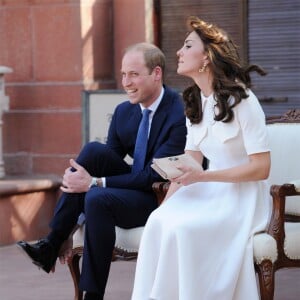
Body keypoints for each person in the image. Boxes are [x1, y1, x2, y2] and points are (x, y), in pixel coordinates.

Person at [17, 42, 187, 300]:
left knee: (97, 196)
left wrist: (95, 182)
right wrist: (78, 187)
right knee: (94, 152)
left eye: (133, 74)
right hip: (135, 189)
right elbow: (106, 160)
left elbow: (155, 176)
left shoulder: (178, 112)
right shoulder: (123, 112)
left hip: (163, 196)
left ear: (157, 73)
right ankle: (54, 242)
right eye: (123, 74)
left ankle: (90, 293)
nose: (126, 82)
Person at [131, 16, 271, 300]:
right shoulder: (195, 102)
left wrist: (204, 177)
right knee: (158, 222)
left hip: (241, 199)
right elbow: (189, 163)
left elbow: (261, 168)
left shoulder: (243, 100)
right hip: (206, 191)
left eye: (187, 46)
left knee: (183, 229)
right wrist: (165, 205)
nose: (178, 53)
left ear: (206, 56)